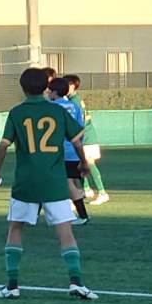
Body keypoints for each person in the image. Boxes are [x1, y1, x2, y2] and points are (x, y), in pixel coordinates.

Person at [0, 67, 96, 301]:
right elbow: (77, 141)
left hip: (26, 181)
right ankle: (76, 282)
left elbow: (4, 144)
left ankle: (12, 285)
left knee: (16, 228)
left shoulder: (17, 113)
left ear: (23, 88)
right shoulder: (57, 111)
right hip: (54, 182)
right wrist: (84, 163)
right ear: (46, 87)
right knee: (65, 231)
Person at [49, 77, 90, 223]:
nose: (48, 94)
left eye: (49, 91)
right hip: (74, 151)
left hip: (59, 152)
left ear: (54, 92)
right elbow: (80, 130)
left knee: (65, 184)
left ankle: (82, 216)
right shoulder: (74, 107)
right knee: (71, 182)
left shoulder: (51, 107)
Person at [66, 76, 109, 204]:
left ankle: (102, 193)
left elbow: (80, 121)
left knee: (89, 163)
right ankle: (87, 189)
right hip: (83, 136)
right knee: (79, 164)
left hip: (87, 137)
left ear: (72, 86)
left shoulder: (74, 101)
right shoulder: (74, 99)